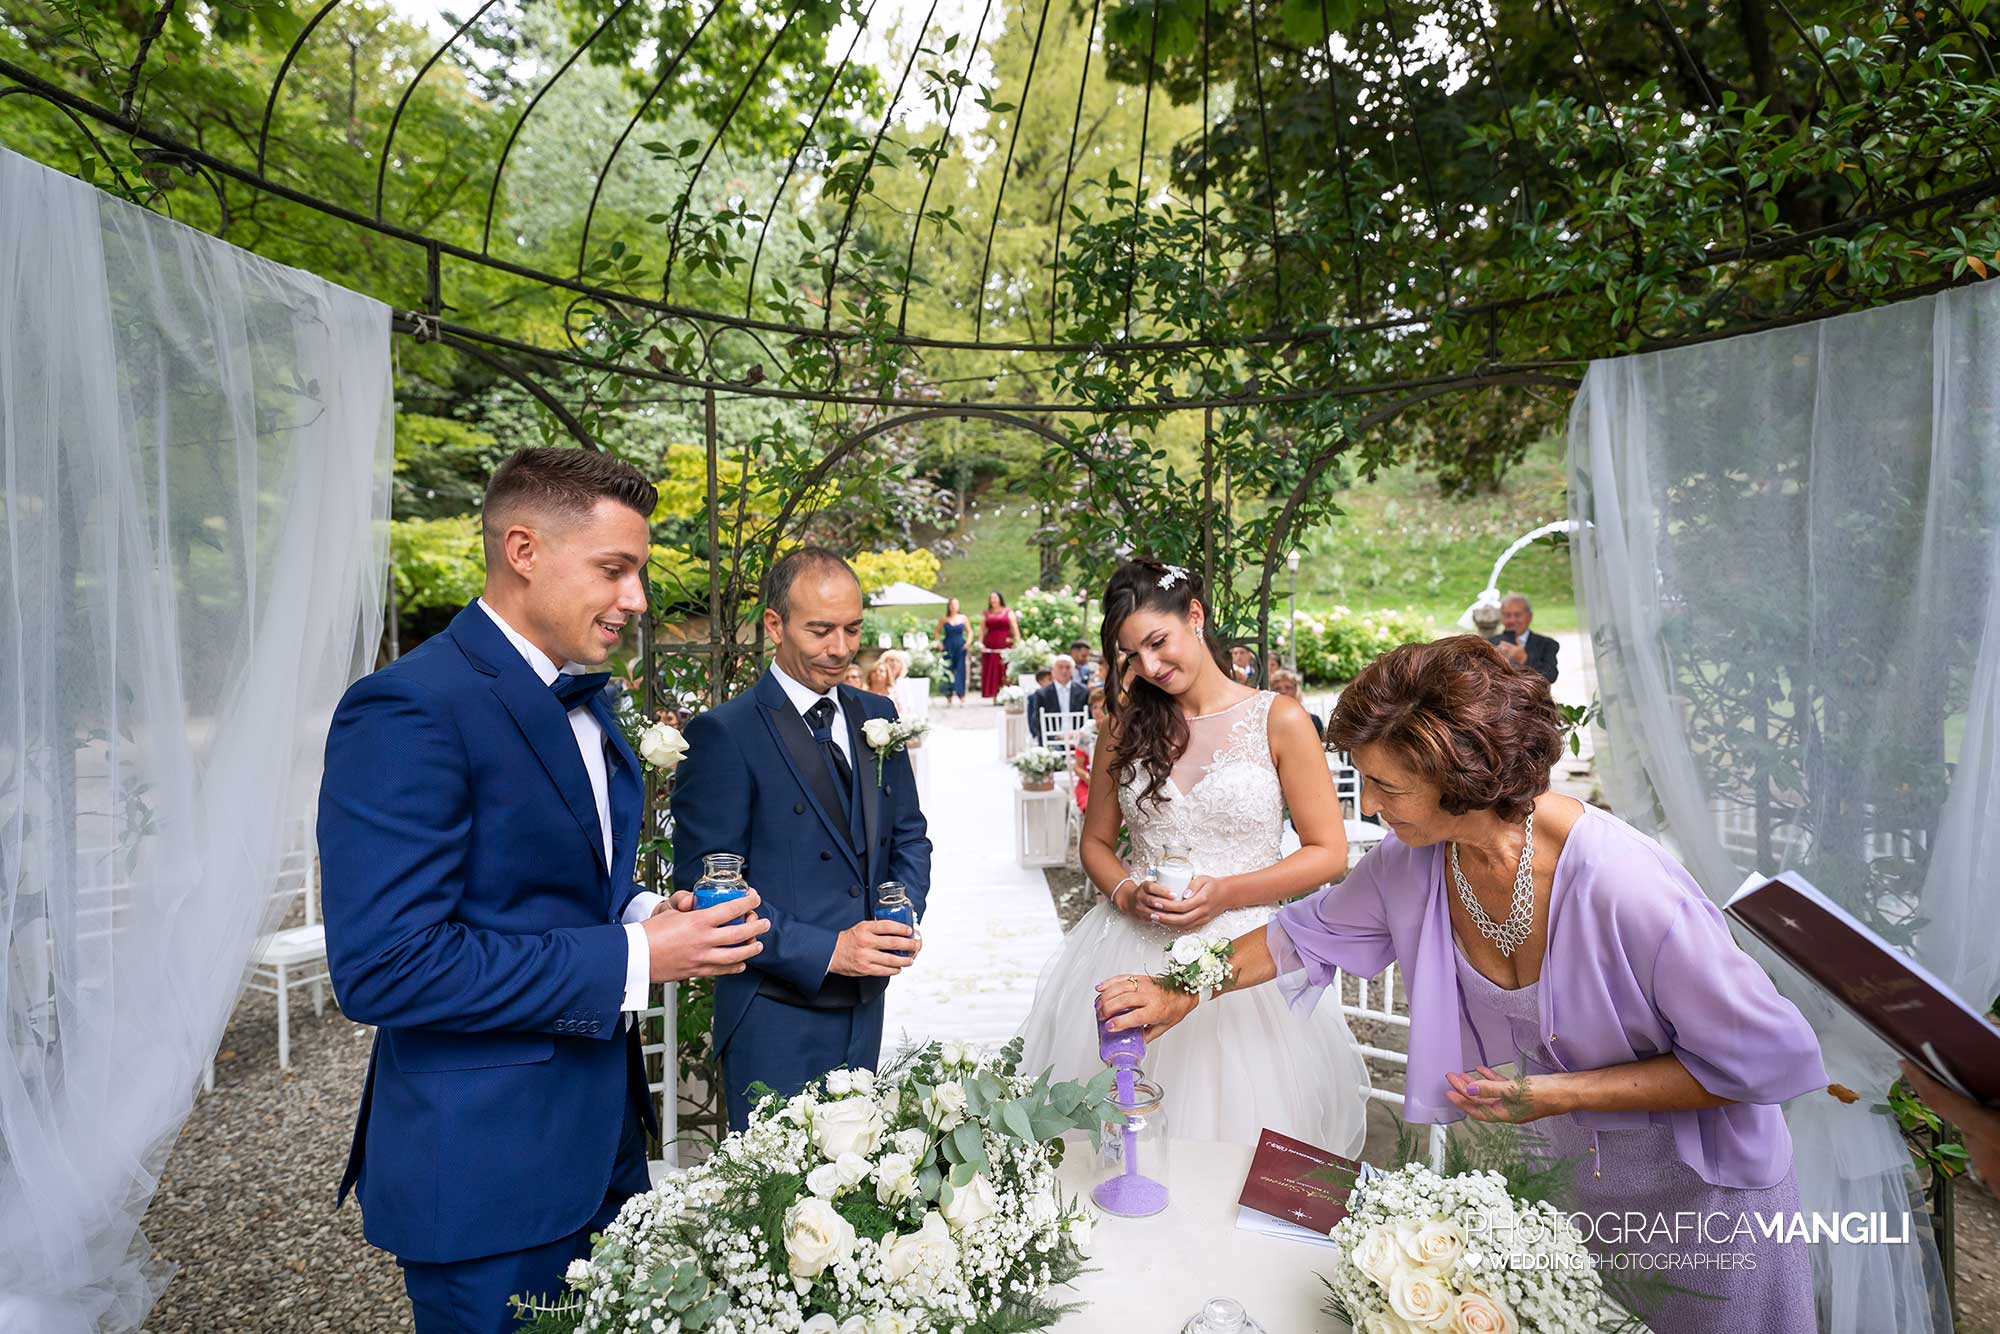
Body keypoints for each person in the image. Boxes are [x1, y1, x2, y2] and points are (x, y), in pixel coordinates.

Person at [1100, 636, 1829, 1333]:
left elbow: (1764, 1062)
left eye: (1388, 787)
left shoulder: (1629, 888)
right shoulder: (1415, 859)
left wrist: (1555, 1096)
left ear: (1465, 777)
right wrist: (1182, 990)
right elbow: (1299, 933)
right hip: (1569, 1196)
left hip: (1706, 1202)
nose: (1373, 809)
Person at [318, 447, 772, 1334]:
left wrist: (649, 915)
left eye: (636, 571)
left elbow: (553, 889)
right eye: (616, 569)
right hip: (488, 1167)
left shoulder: (585, 697)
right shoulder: (407, 707)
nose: (636, 599)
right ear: (523, 549)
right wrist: (638, 956)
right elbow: (384, 968)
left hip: (601, 1143)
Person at [1020, 560, 1370, 1153]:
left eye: (1158, 642)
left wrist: (1228, 891)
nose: (1150, 667)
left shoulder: (1277, 719)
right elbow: (1096, 845)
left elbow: (1329, 854)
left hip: (1246, 959)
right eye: (1132, 656)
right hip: (1129, 946)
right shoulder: (1123, 727)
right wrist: (1127, 892)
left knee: (1242, 1145)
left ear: (1196, 616)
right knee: (1116, 1140)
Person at [671, 548, 932, 1129]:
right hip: (774, 1014)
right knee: (776, 1208)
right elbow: (703, 889)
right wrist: (830, 950)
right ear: (774, 625)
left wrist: (900, 912)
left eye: (852, 629)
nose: (840, 648)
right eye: (820, 630)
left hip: (866, 1006)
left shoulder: (877, 712)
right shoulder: (723, 734)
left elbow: (910, 836)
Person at [1491, 592, 1559, 683]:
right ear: (1501, 617)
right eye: (1507, 615)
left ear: (1529, 617)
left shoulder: (1547, 644)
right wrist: (1494, 659)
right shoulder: (1490, 643)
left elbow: (1551, 676)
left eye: (1517, 615)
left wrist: (1524, 659)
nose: (1512, 620)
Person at [1027, 652, 1090, 745]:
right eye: (1060, 667)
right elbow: (1036, 721)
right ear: (1053, 670)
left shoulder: (1084, 691)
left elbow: (1089, 717)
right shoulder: (1042, 694)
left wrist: (1078, 733)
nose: (1064, 671)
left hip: (1078, 740)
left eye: (1068, 667)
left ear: (1072, 670)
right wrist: (1055, 736)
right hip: (1052, 741)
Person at [1072, 686, 1108, 814]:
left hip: (1111, 786)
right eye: (1094, 707)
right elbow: (1077, 767)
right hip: (1088, 786)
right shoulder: (1085, 733)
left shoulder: (1118, 732)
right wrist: (1089, 779)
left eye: (1102, 707)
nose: (1098, 711)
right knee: (1096, 809)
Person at [979, 591, 1018, 699]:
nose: (993, 600)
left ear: (1000, 599)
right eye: (991, 598)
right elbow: (982, 629)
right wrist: (980, 644)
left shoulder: (1008, 611)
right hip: (990, 644)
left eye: (995, 598)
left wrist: (1017, 642)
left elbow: (1014, 627)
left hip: (1005, 643)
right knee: (992, 670)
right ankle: (994, 695)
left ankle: (1007, 694)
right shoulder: (986, 613)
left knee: (1005, 669)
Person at [1270, 667, 1322, 740]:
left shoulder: (1313, 721)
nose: (1283, 691)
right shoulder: (1267, 722)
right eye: (1277, 688)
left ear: (1296, 690)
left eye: (1288, 687)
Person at [936, 597, 971, 705]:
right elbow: (937, 632)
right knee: (947, 670)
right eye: (952, 604)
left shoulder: (963, 618)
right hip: (948, 645)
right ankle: (948, 696)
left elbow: (970, 631)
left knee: (960, 670)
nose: (954, 606)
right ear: (949, 606)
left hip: (960, 646)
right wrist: (939, 644)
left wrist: (968, 643)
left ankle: (961, 695)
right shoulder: (944, 619)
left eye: (956, 604)